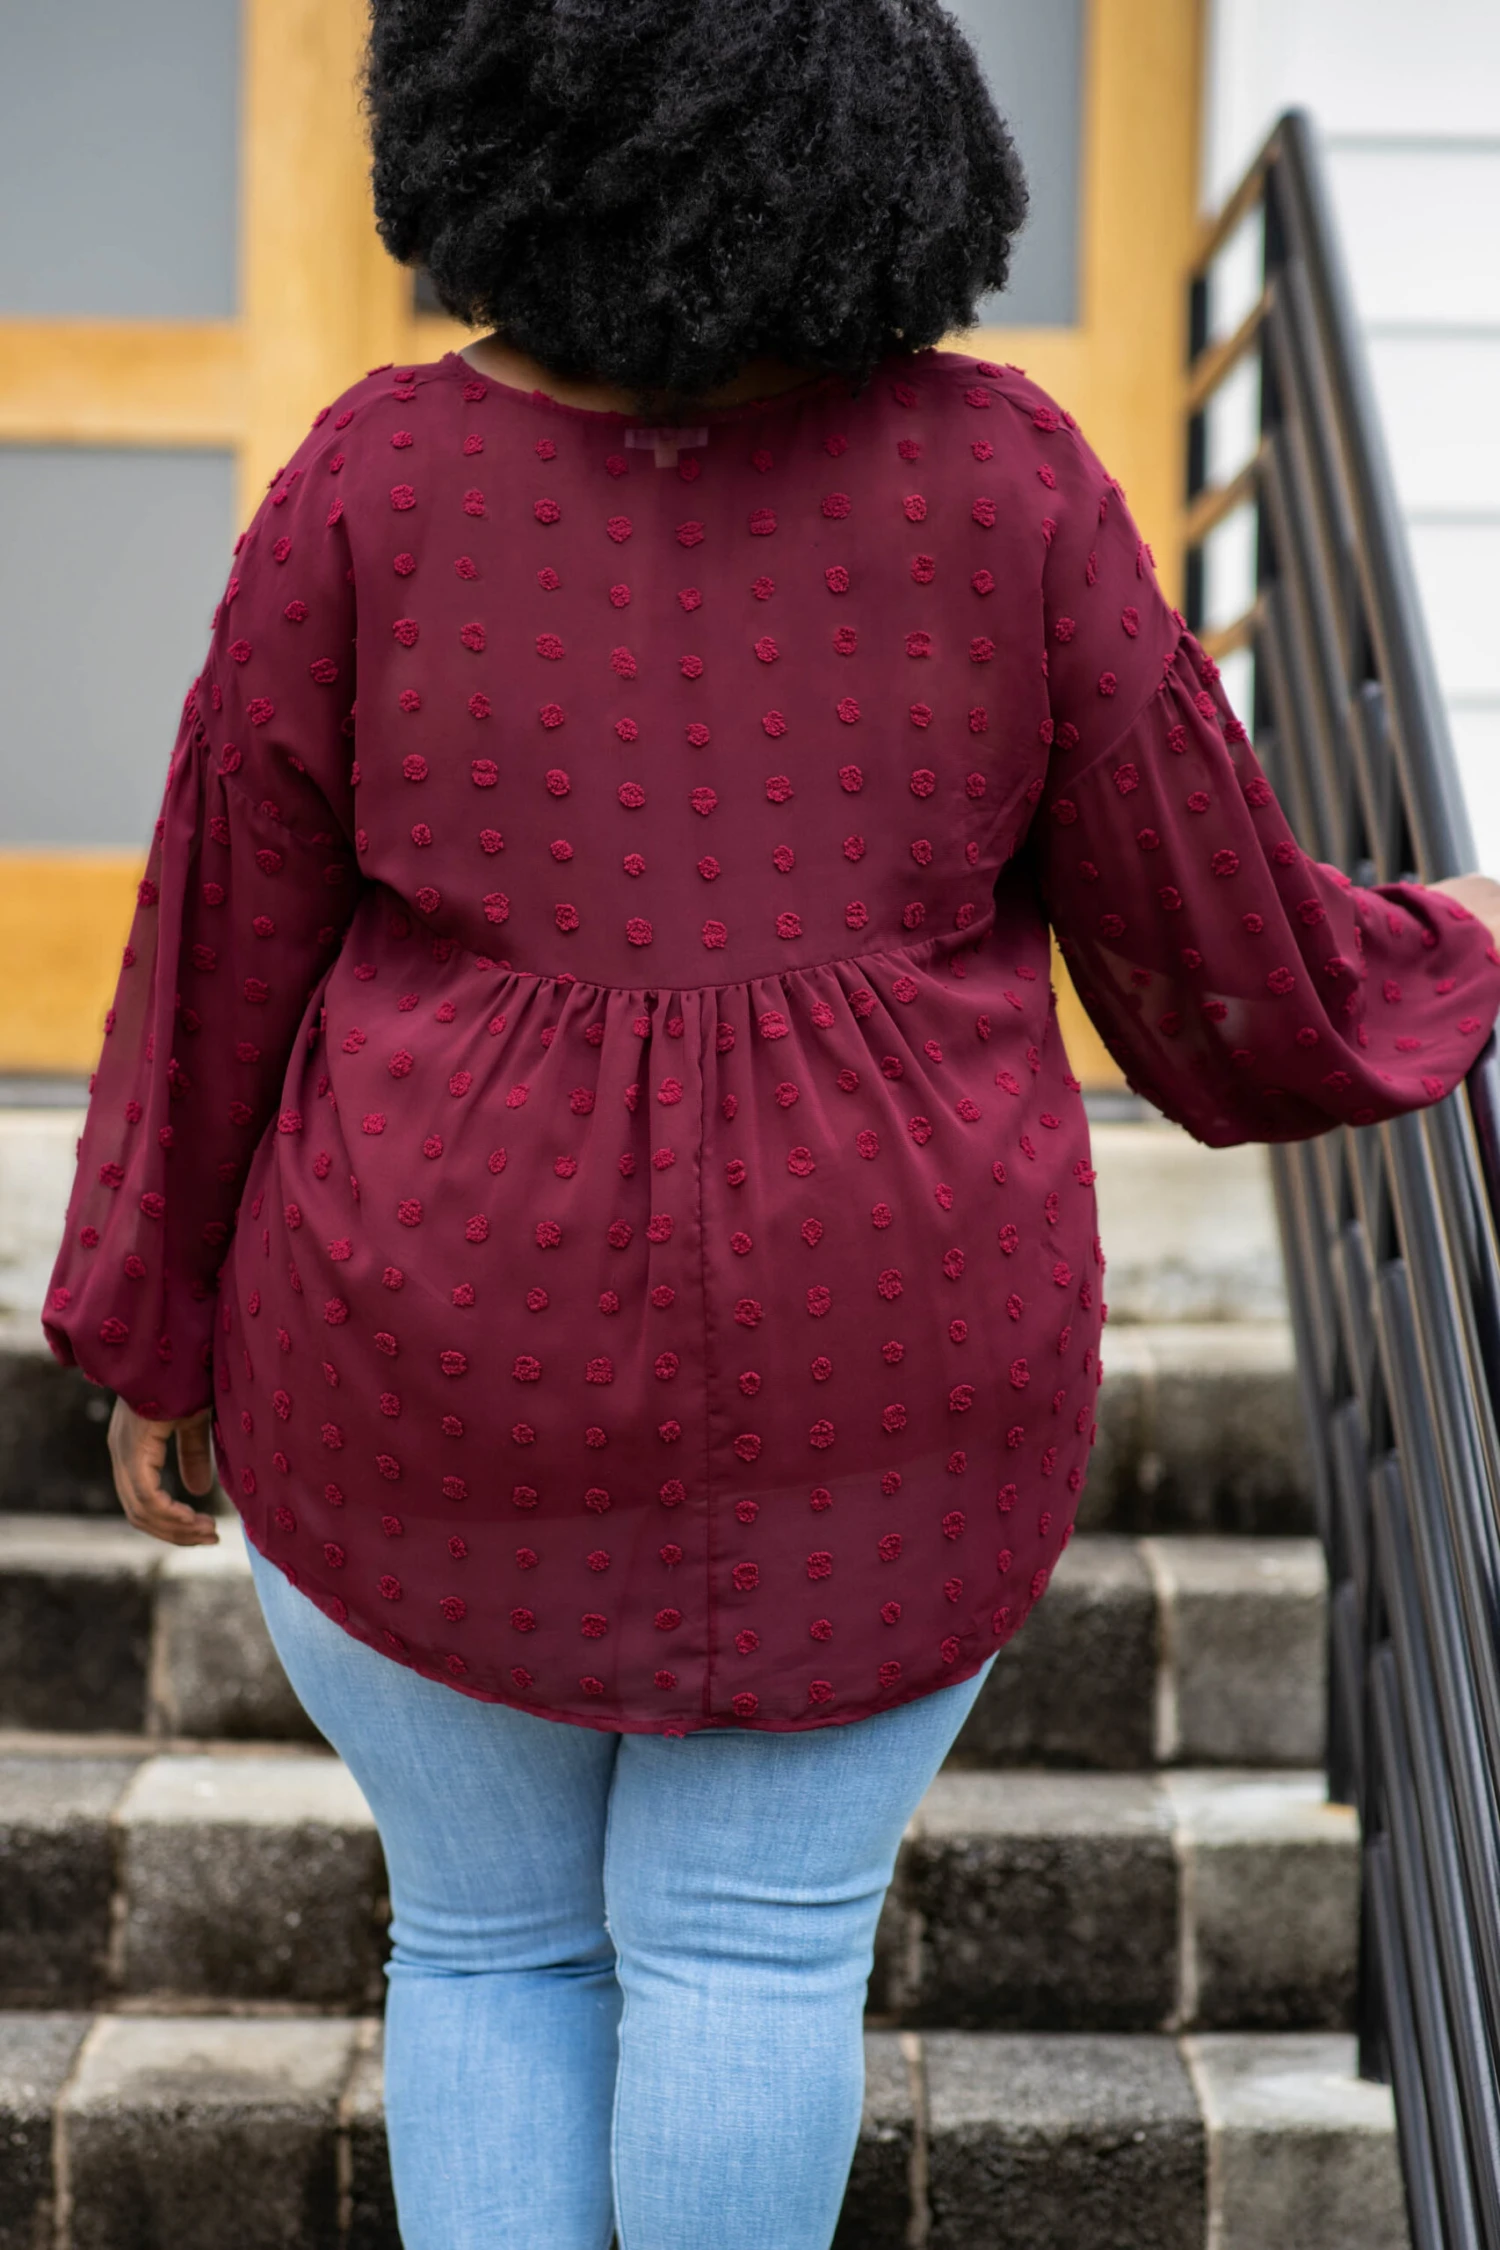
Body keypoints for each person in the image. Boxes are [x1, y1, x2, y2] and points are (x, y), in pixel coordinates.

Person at [41, 2, 1500, 2244]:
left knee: (485, 1949)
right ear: (877, 124)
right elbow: (1226, 957)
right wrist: (1450, 949)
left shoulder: (372, 483)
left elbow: (217, 941)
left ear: (481, 126)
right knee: (753, 1958)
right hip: (881, 1368)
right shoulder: (1003, 484)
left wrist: (149, 1326)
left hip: (421, 1348)